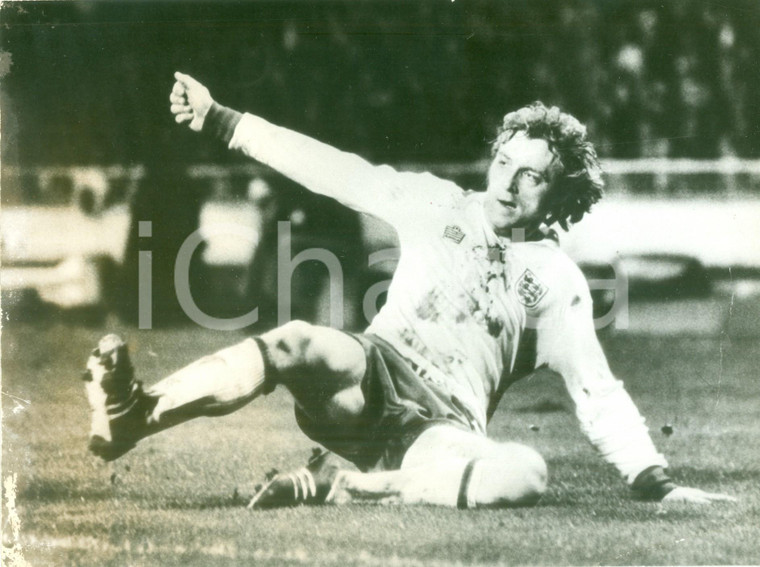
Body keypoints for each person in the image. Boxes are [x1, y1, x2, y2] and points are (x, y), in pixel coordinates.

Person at [82, 71, 736, 509]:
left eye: (531, 176)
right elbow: (336, 170)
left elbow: (596, 390)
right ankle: (135, 413)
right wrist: (222, 119)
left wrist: (655, 481)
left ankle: (347, 487)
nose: (507, 181)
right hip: (369, 372)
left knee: (528, 473)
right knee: (298, 339)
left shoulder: (555, 280)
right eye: (504, 161)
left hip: (440, 429)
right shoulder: (438, 204)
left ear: (558, 193)